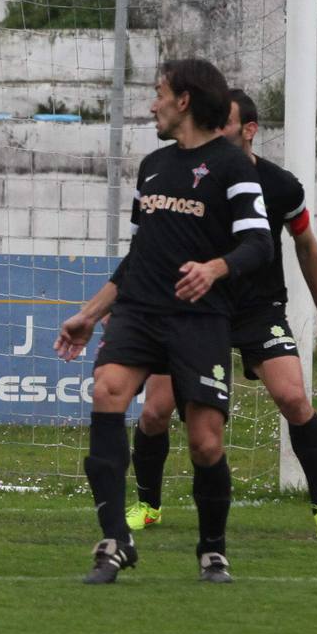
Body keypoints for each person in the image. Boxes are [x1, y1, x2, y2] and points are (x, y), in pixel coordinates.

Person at [55, 58, 272, 584]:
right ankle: (115, 541)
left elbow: (260, 243)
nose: (152, 103)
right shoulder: (151, 166)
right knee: (107, 390)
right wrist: (89, 314)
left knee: (206, 442)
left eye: (158, 93)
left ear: (184, 100)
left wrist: (216, 268)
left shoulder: (233, 167)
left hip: (200, 321)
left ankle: (213, 550)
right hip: (140, 313)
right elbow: (138, 257)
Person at [126, 90, 317, 540]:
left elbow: (305, 246)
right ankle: (148, 504)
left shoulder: (279, 185)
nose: (214, 130)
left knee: (294, 399)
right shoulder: (181, 173)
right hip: (193, 307)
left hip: (255, 308)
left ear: (248, 130)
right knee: (153, 413)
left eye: (223, 123)